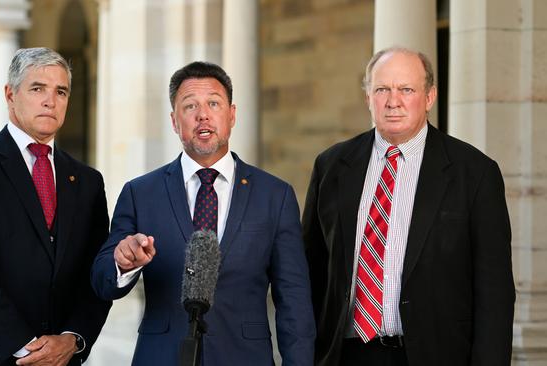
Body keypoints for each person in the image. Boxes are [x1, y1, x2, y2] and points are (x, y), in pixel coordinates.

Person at [91, 61, 315, 365]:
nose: (203, 115)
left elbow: (294, 299)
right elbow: (102, 279)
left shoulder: (275, 195)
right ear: (174, 120)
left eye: (213, 103)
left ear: (232, 115)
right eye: (190, 106)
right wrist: (122, 263)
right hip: (161, 357)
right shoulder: (140, 193)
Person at [302, 47, 515, 366]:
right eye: (382, 89)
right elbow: (310, 273)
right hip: (346, 355)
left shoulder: (474, 173)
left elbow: (494, 293)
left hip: (436, 355)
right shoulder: (331, 167)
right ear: (368, 97)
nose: (393, 101)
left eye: (406, 89)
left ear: (429, 97)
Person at [0, 47, 111, 366]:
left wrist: (72, 339)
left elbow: (95, 274)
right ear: (10, 94)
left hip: (62, 360)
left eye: (61, 91)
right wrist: (27, 348)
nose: (50, 100)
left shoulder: (87, 181)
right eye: (37, 88)